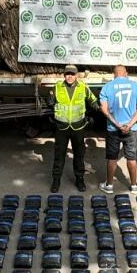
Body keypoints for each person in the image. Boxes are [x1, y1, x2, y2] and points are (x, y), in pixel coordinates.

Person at [98, 62, 137, 193]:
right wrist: (130, 124)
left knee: (112, 158)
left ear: (114, 75)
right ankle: (134, 185)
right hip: (131, 129)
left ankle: (109, 185)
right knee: (131, 158)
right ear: (126, 74)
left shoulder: (107, 87)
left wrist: (117, 124)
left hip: (113, 129)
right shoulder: (135, 86)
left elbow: (104, 110)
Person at [48, 65, 94, 193]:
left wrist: (95, 114)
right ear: (64, 75)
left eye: (72, 74)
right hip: (61, 127)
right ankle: (56, 181)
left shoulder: (83, 87)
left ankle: (79, 179)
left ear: (77, 75)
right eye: (67, 74)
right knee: (59, 156)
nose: (70, 76)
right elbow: (50, 103)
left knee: (79, 155)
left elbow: (93, 101)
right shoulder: (57, 87)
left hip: (78, 127)